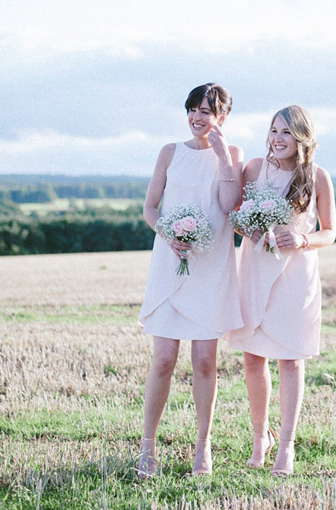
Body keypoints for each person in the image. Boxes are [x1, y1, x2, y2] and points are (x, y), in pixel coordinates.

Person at [137, 83, 245, 478]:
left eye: (207, 111)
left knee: (204, 361)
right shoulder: (169, 152)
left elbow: (228, 206)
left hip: (211, 265)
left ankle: (203, 446)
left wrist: (222, 158)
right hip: (170, 260)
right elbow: (149, 208)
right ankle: (147, 448)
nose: (198, 118)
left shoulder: (231, 155)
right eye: (193, 110)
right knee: (164, 358)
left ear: (222, 118)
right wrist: (167, 232)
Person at [227, 105, 336, 476]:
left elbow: (331, 231)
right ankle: (261, 437)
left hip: (296, 273)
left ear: (302, 138)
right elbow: (236, 215)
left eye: (286, 133)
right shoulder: (254, 169)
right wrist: (250, 230)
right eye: (274, 130)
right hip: (256, 267)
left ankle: (286, 446)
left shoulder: (318, 177)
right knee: (253, 357)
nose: (277, 139)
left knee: (291, 358)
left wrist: (303, 238)